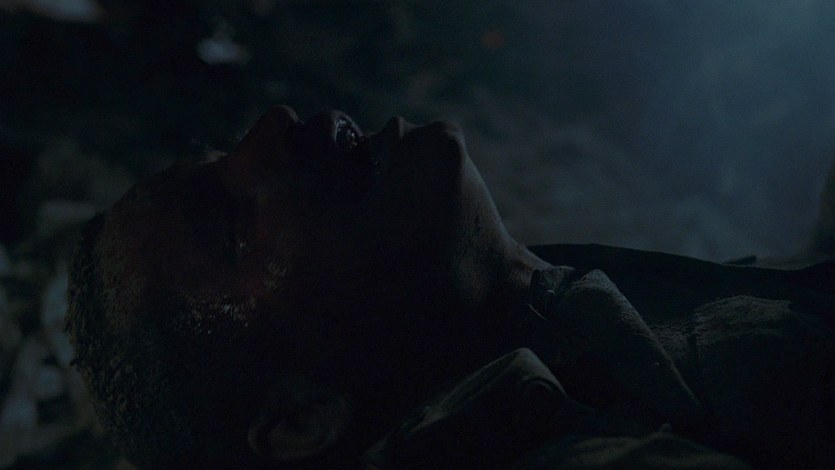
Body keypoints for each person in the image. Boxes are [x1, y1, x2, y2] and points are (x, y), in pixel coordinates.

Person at [66, 106, 835, 469]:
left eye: (226, 148)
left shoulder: (555, 328)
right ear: (303, 416)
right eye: (230, 224)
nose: (275, 125)